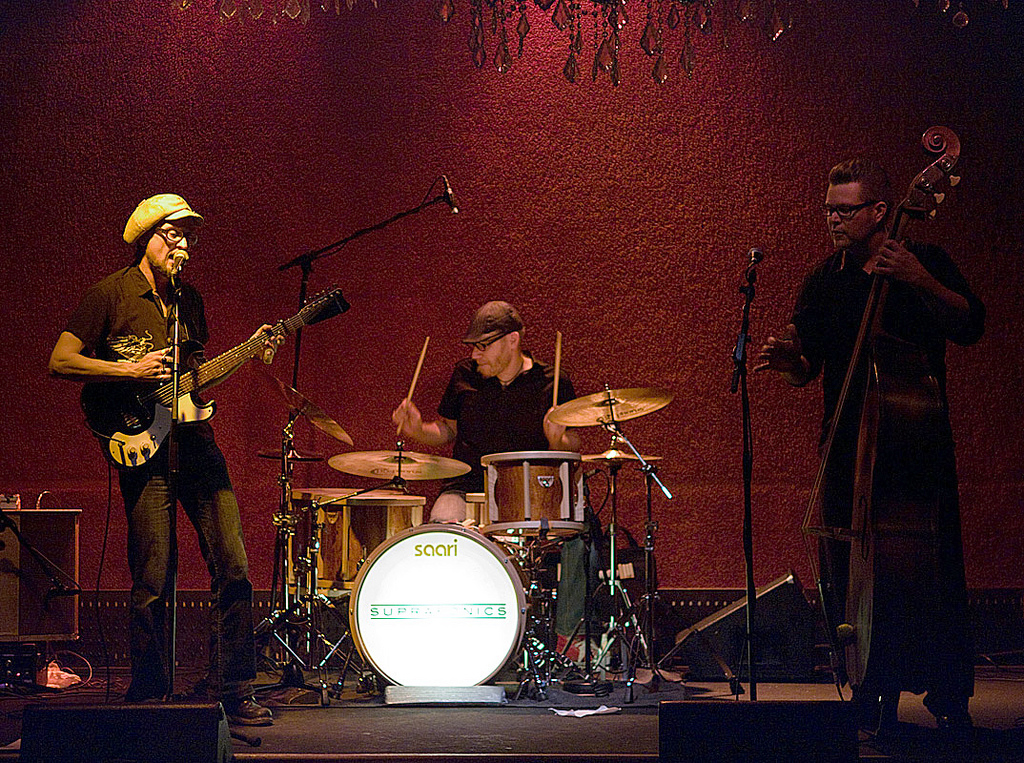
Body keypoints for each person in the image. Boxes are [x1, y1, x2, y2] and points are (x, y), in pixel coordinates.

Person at [755, 158, 984, 733]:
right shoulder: (825, 277)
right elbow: (808, 365)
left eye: (845, 210)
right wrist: (789, 361)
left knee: (934, 572)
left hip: (914, 451)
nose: (832, 220)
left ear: (880, 211)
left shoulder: (922, 260)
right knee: (849, 572)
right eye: (828, 209)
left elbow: (972, 322)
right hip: (845, 447)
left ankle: (947, 694)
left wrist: (918, 279)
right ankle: (867, 683)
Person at [48, 194, 275, 726]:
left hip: (196, 442)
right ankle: (149, 690)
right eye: (174, 234)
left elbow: (193, 379)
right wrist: (132, 372)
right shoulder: (110, 294)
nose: (183, 245)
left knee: (234, 563)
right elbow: (61, 360)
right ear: (147, 236)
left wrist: (244, 356)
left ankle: (233, 686)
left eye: (188, 237)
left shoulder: (189, 300)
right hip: (142, 448)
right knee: (154, 574)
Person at [391, 301, 589, 652]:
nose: (476, 353)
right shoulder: (464, 375)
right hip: (467, 485)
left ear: (512, 341)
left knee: (578, 536)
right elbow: (447, 431)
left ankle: (567, 639)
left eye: (484, 345)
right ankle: (447, 635)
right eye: (473, 346)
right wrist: (417, 428)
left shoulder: (552, 382)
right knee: (439, 524)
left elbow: (571, 446)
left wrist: (559, 435)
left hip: (525, 494)